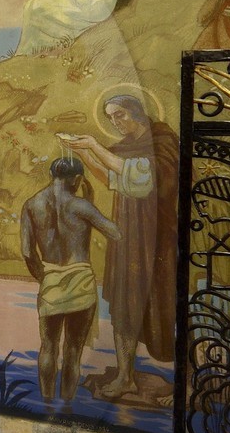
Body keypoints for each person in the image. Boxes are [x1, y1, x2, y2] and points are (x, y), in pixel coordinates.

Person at [65, 95, 179, 398]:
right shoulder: (124, 148)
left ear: (137, 113)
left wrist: (94, 146)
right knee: (123, 301)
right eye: (111, 117)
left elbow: (144, 178)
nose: (115, 122)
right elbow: (112, 179)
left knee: (164, 301)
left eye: (120, 115)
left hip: (156, 238)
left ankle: (185, 380)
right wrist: (85, 153)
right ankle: (125, 376)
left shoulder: (163, 142)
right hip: (128, 235)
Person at [20, 157, 120, 409]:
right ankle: (67, 406)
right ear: (76, 179)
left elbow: (28, 252)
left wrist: (45, 278)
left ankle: (46, 402)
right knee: (73, 352)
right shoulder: (81, 206)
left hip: (50, 280)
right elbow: (115, 233)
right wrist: (90, 201)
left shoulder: (31, 204)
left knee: (48, 347)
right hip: (81, 282)